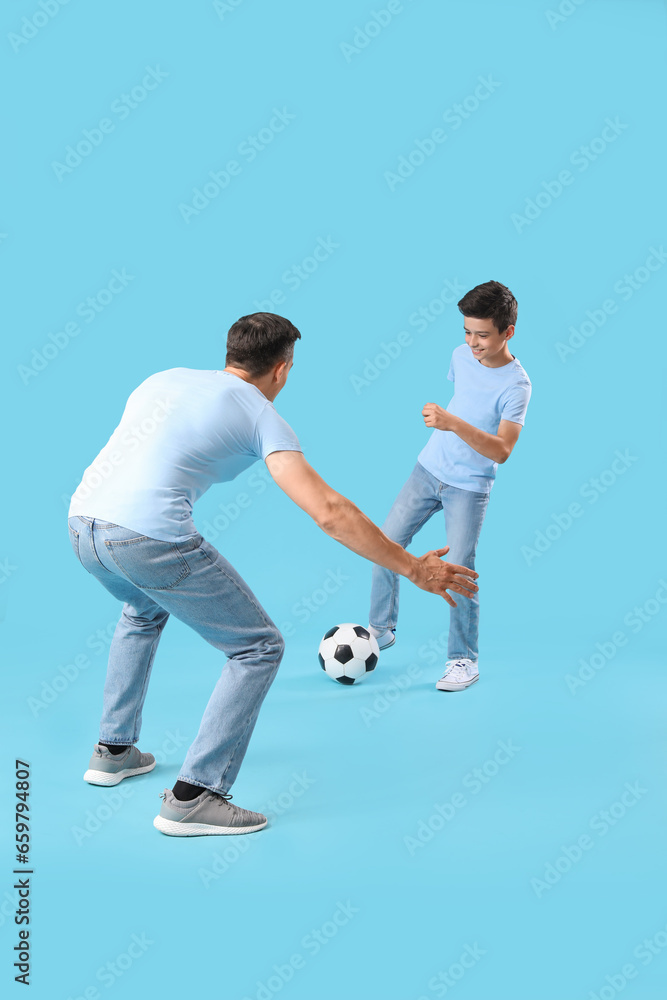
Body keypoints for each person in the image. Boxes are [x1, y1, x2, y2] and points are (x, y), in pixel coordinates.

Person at [67, 312, 479, 837]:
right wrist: (414, 568)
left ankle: (113, 750)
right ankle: (196, 796)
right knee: (257, 648)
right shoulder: (262, 415)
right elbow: (329, 511)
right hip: (146, 538)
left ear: (230, 352)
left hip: (83, 528)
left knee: (141, 610)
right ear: (282, 370)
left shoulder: (163, 379)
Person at [368, 280, 531, 692]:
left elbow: (502, 451)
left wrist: (451, 423)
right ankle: (380, 630)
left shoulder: (517, 385)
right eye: (467, 332)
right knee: (383, 543)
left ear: (507, 332)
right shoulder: (460, 355)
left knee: (460, 571)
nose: (472, 343)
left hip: (469, 487)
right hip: (428, 469)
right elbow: (463, 396)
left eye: (482, 335)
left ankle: (463, 660)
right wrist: (443, 419)